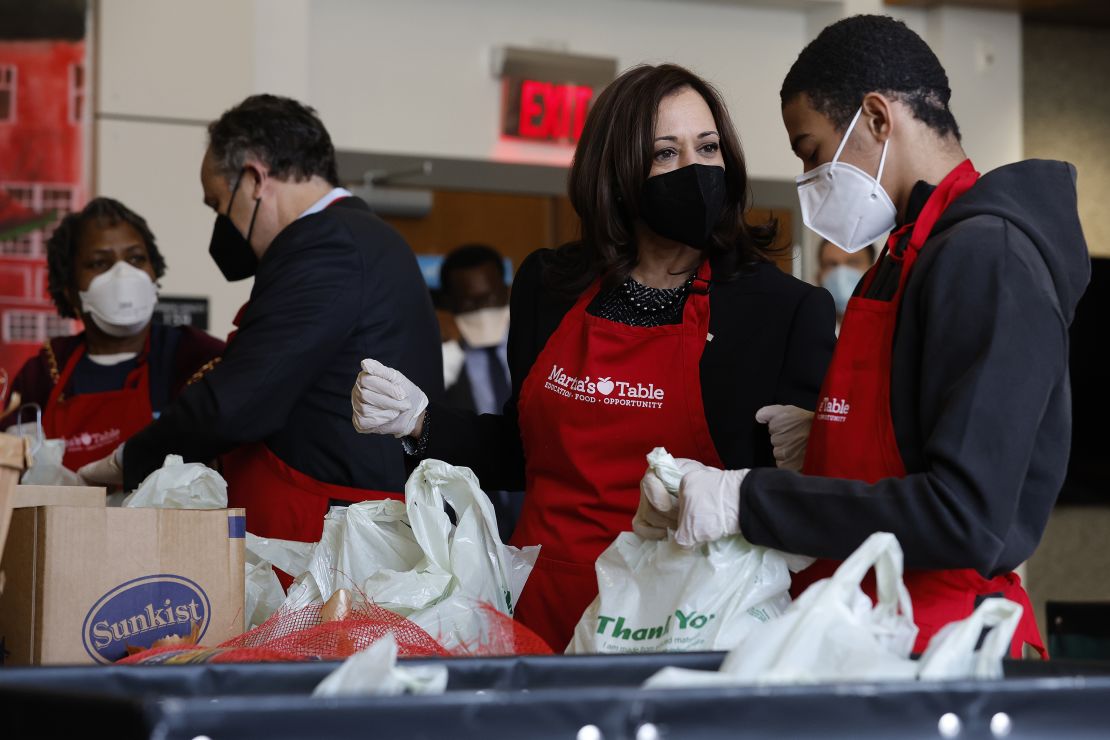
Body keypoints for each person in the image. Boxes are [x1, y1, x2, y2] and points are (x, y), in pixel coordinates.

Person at [637, 15, 1089, 658]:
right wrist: (823, 440)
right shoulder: (907, 255)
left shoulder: (989, 256)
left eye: (812, 152)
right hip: (866, 627)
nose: (810, 178)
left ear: (877, 118)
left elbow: (963, 516)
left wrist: (752, 498)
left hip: (941, 644)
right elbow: (911, 441)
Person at [351, 64, 836, 650]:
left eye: (708, 147)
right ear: (618, 171)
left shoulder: (780, 311)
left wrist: (814, 450)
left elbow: (806, 500)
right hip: (543, 609)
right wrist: (420, 422)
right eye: (665, 153)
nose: (696, 169)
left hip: (686, 620)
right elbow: (523, 451)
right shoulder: (550, 285)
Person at [79, 94, 443, 543]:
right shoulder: (357, 236)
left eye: (217, 204)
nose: (220, 222)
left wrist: (129, 459)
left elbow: (241, 399)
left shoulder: (328, 244)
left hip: (332, 535)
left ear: (253, 179)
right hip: (333, 516)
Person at [2, 197, 225, 470]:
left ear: (154, 272)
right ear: (70, 291)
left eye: (136, 258)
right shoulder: (43, 374)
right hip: (65, 514)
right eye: (99, 263)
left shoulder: (196, 359)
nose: (123, 274)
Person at [438, 243, 521, 540]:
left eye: (491, 298)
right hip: (472, 519)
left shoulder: (534, 349)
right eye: (471, 305)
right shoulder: (442, 361)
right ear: (451, 304)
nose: (484, 312)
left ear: (507, 290)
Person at [815, 238, 876, 331]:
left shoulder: (895, 331)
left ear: (875, 272)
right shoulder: (806, 332)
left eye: (853, 262)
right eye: (831, 265)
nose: (841, 275)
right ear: (819, 277)